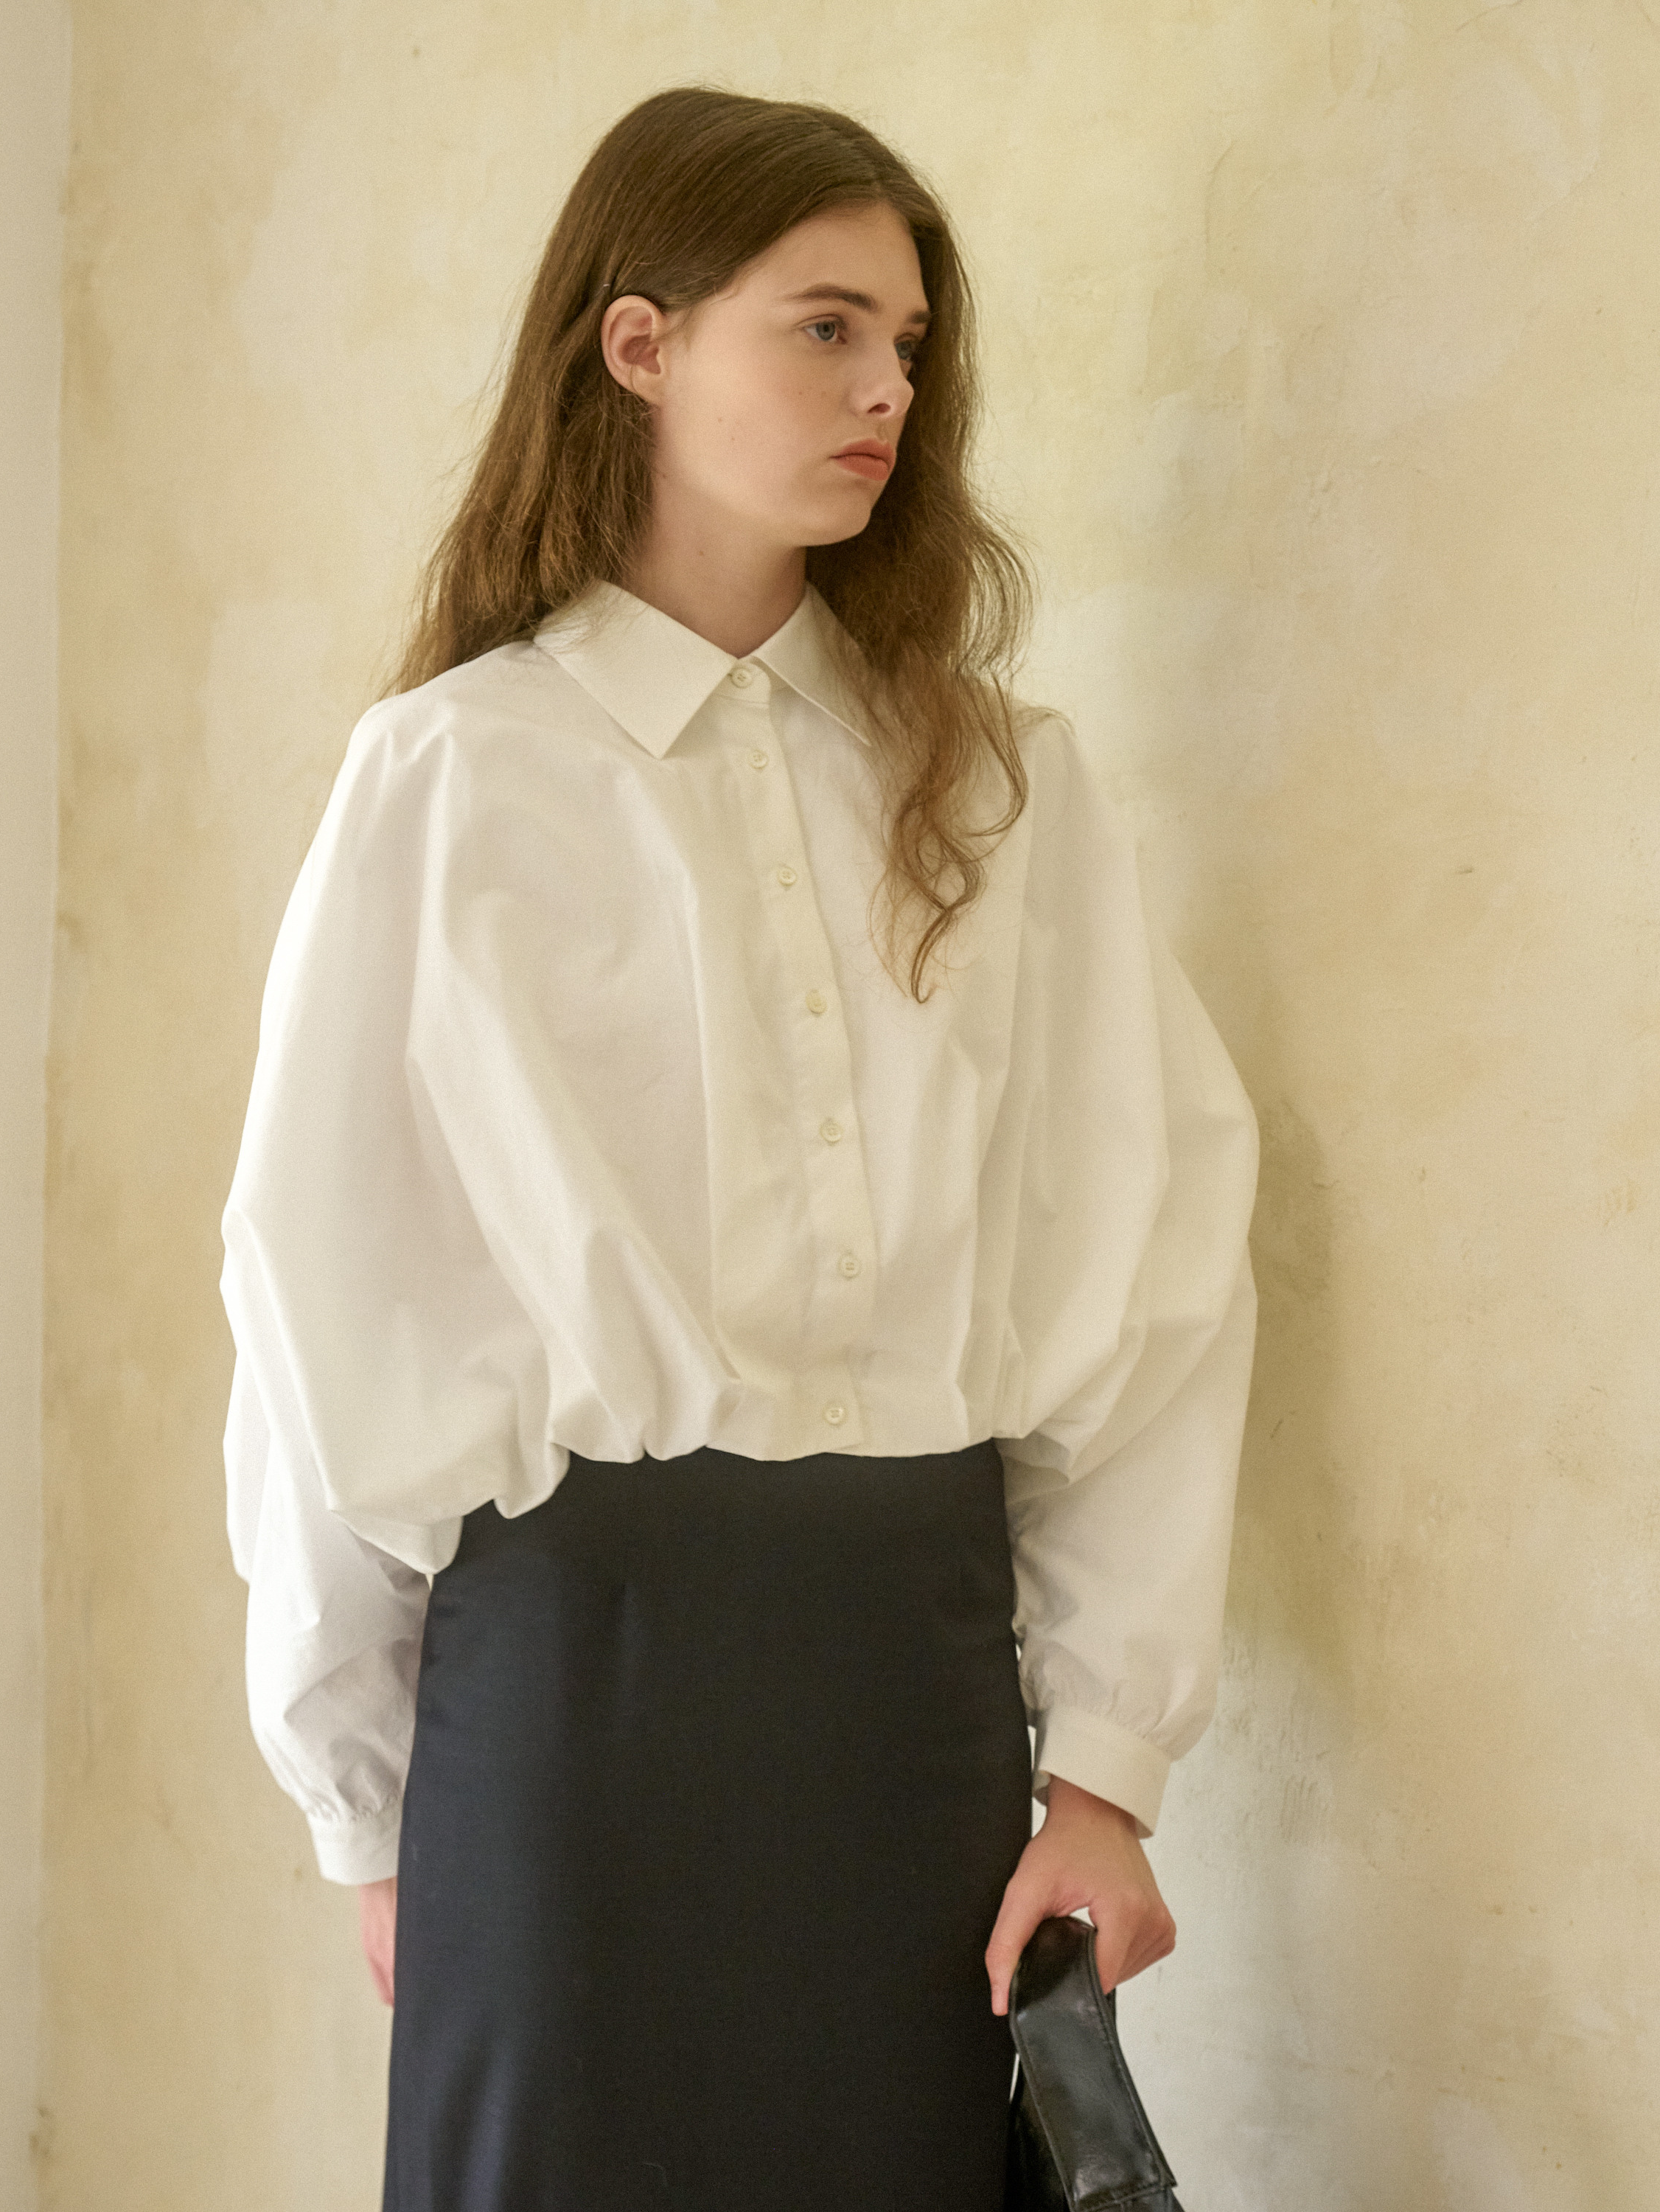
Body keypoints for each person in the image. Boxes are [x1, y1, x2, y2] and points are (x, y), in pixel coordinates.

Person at [220, 84, 1258, 2212]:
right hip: (561, 1723)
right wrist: (363, 1802)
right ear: (641, 344)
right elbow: (321, 1299)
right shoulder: (449, 779)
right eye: (826, 327)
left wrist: (1109, 1774)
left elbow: (1154, 1284)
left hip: (914, 1707)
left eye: (910, 344)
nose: (890, 390)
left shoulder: (1008, 790)